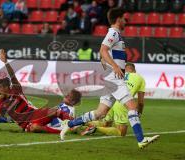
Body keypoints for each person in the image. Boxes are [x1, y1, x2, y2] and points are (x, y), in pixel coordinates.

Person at [59, 7, 159, 149]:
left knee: (100, 113)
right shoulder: (113, 33)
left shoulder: (116, 34)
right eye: (124, 19)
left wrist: (104, 59)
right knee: (132, 107)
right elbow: (103, 49)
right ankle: (141, 139)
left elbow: (104, 52)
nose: (126, 21)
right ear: (118, 19)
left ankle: (69, 124)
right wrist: (115, 66)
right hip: (114, 78)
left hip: (110, 78)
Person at [0, 49, 81, 134]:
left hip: (36, 114)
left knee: (55, 112)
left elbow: (12, 76)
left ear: (7, 87)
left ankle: (77, 123)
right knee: (34, 127)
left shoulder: (16, 90)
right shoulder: (1, 103)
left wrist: (6, 62)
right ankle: (63, 131)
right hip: (27, 125)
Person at [81, 63, 146, 136]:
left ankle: (83, 123)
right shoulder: (140, 78)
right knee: (121, 132)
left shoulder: (117, 74)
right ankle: (95, 129)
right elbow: (141, 102)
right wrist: (139, 113)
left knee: (105, 124)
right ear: (134, 70)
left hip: (110, 101)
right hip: (123, 102)